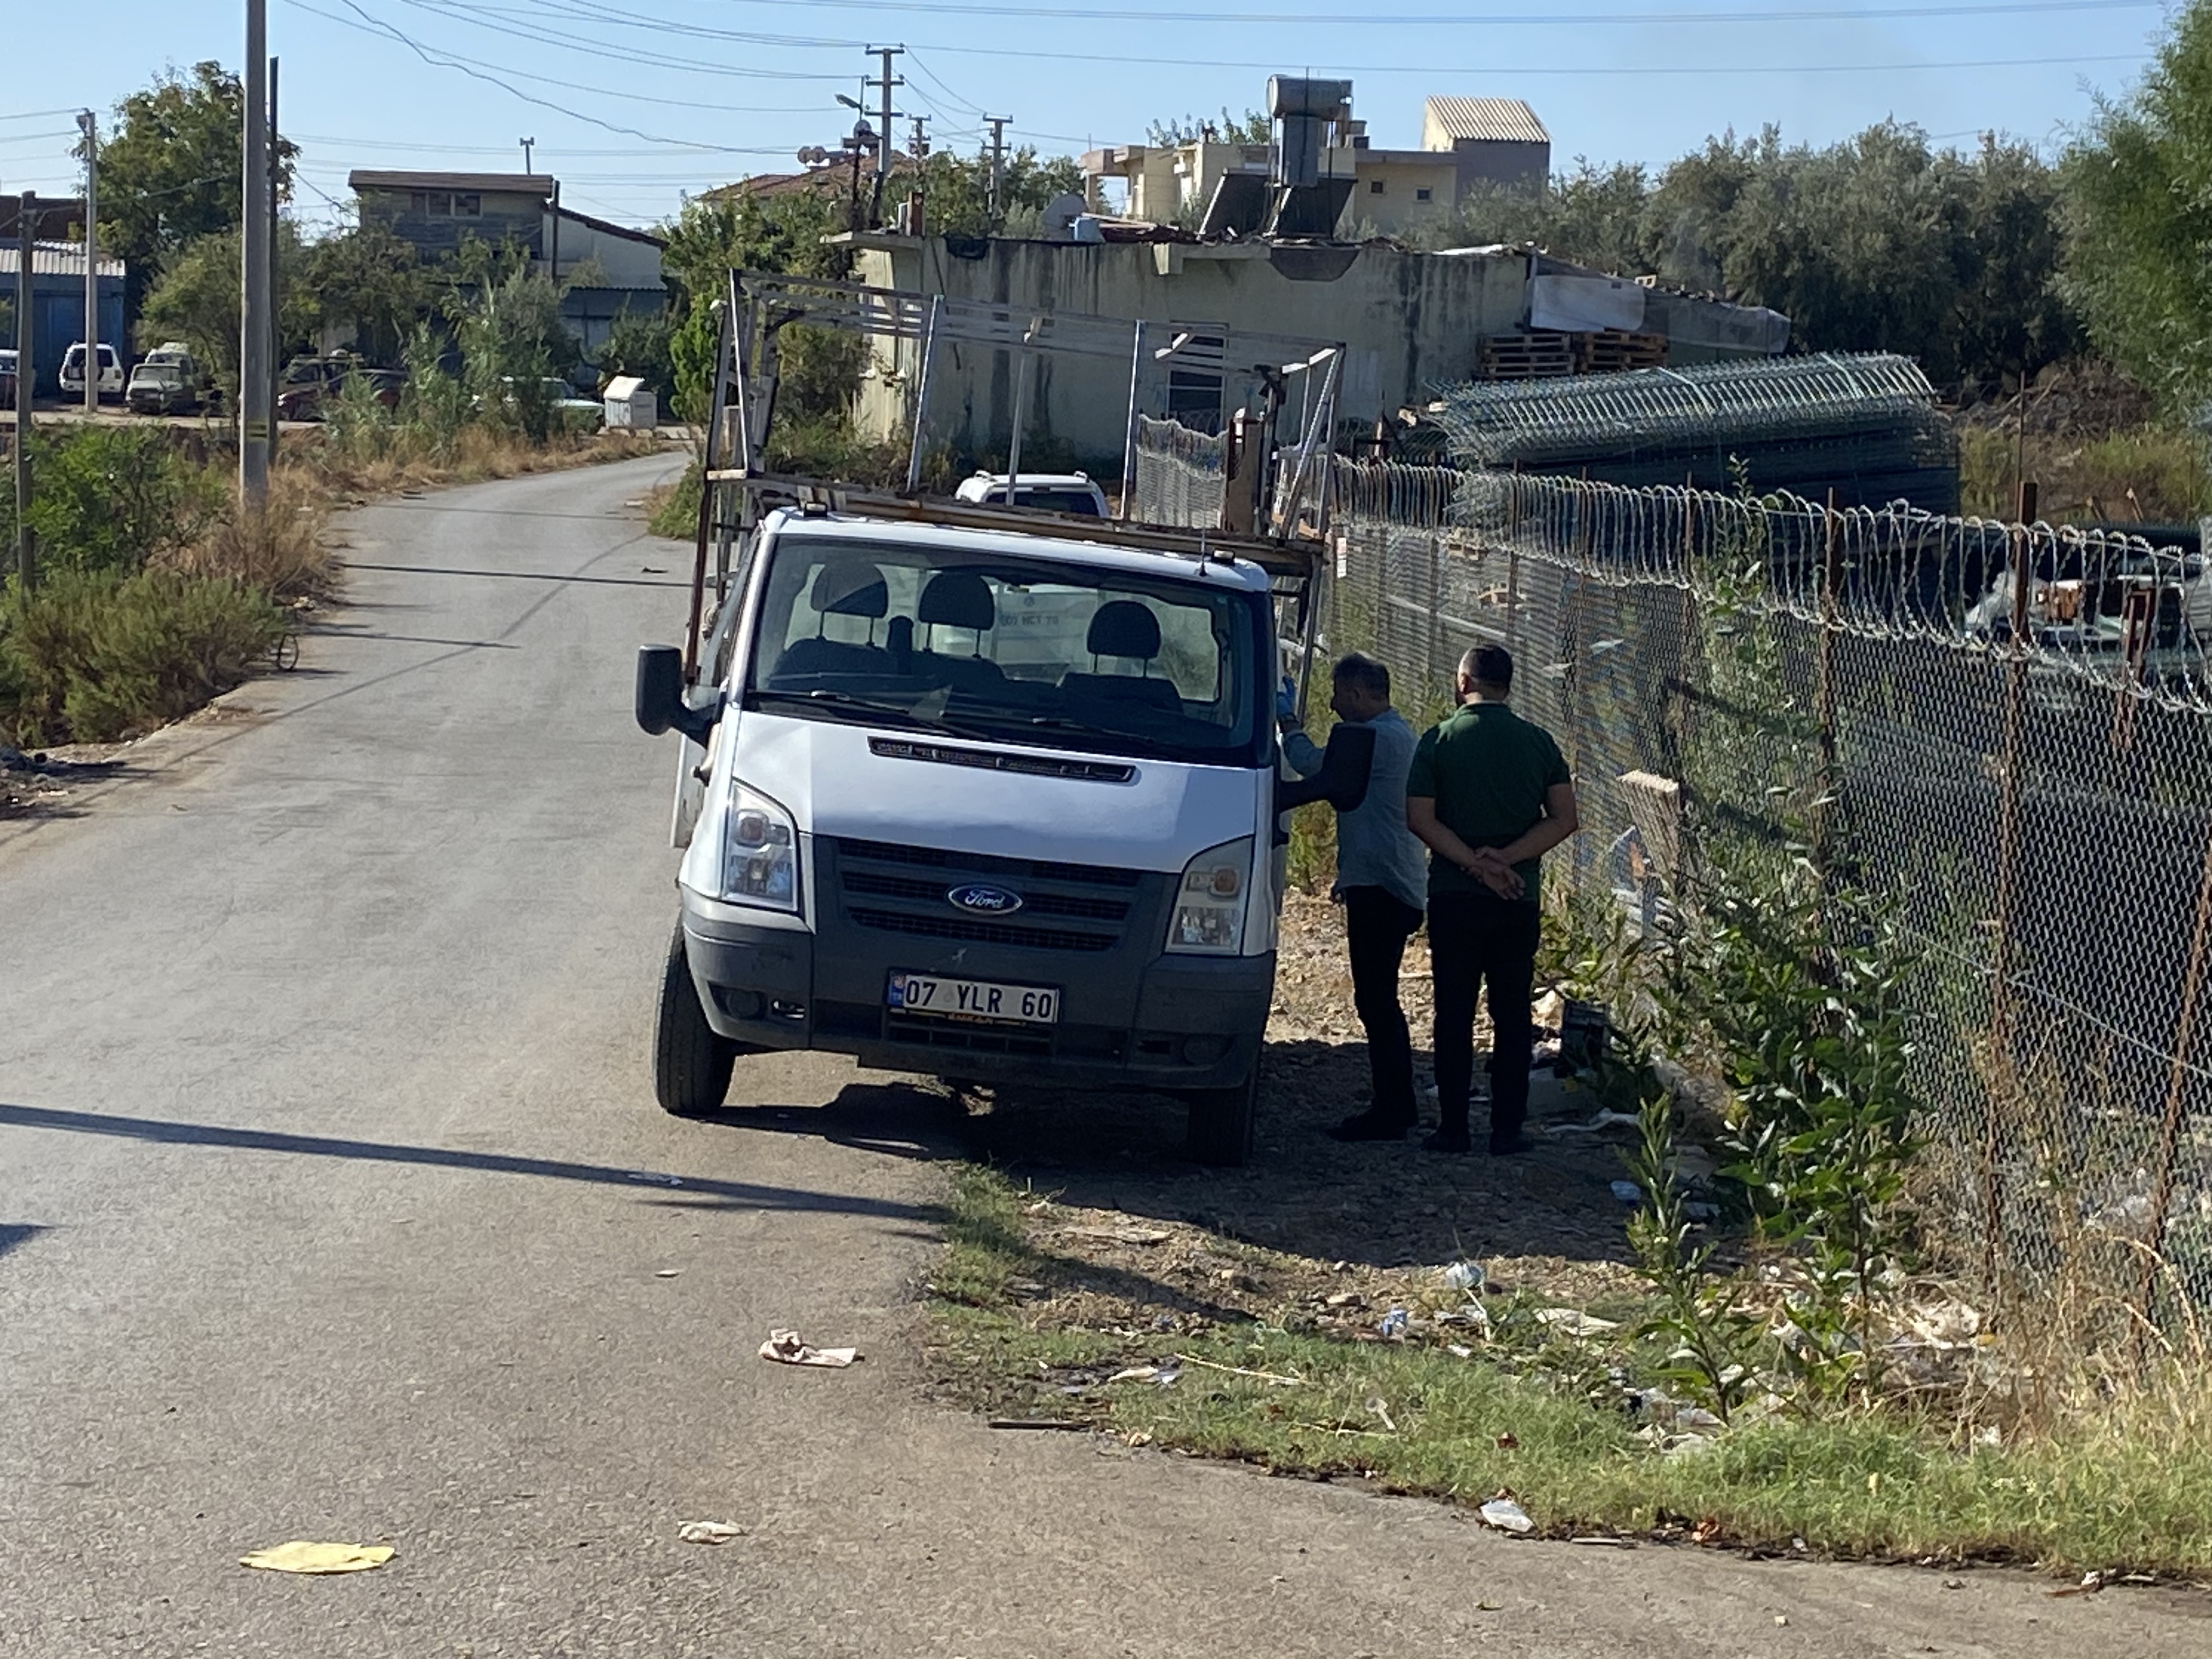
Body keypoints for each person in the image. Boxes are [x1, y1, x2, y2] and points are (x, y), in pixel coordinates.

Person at [1405, 644, 1579, 1155]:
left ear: (1464, 683)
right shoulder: (1538, 742)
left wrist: (1473, 863)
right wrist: (1506, 860)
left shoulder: (1438, 739)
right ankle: (1508, 1128)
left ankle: (1454, 1126)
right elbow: (1565, 818)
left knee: (1454, 1012)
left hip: (1455, 896)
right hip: (1517, 896)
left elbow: (1420, 818)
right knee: (1512, 1013)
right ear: (1508, 685)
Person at [1278, 652, 1431, 1141]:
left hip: (1380, 886)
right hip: (1391, 883)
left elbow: (1314, 769)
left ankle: (1392, 1109)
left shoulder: (1374, 739)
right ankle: (1395, 1103)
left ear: (1360, 695)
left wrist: (1286, 722)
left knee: (1377, 1000)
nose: (1334, 703)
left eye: (1340, 694)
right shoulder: (1396, 735)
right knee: (1378, 997)